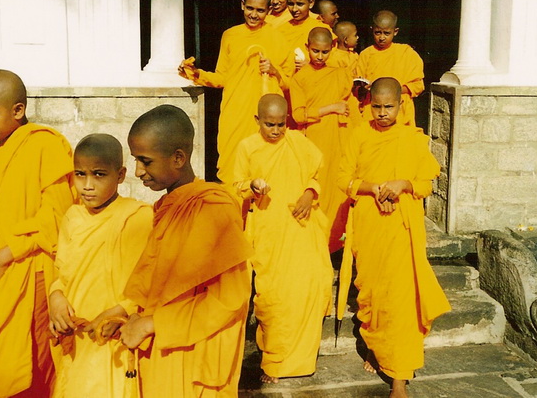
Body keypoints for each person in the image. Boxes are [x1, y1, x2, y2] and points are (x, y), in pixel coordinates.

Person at [0, 69, 77, 397]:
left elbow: (56, 217)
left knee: (30, 365)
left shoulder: (45, 145)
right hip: (4, 274)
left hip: (33, 273)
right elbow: (3, 215)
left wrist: (6, 252)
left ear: (18, 110)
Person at [119, 105, 253, 397]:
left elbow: (230, 300)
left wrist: (154, 324)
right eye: (136, 160)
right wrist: (129, 315)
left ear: (178, 158)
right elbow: (159, 284)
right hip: (160, 348)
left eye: (146, 161)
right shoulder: (166, 207)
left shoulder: (214, 209)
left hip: (196, 357)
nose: (139, 171)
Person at [337, 77, 450, 398]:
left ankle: (399, 377)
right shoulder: (358, 134)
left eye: (389, 107)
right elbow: (343, 179)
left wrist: (402, 184)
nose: (383, 113)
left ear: (401, 106)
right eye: (377, 107)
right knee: (372, 292)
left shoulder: (412, 138)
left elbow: (427, 182)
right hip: (370, 225)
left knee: (400, 299)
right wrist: (373, 187)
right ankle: (376, 347)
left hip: (402, 228)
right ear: (368, 104)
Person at [232, 94, 333, 383]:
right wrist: (252, 185)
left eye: (280, 124)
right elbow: (237, 185)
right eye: (269, 125)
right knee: (273, 296)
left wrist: (308, 194)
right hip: (267, 229)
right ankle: (274, 363)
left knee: (309, 286)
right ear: (257, 121)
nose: (276, 131)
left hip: (300, 225)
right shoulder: (247, 147)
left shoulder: (299, 142)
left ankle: (302, 359)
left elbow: (315, 175)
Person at [48, 134, 153, 398]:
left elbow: (147, 279)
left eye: (98, 175)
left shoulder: (137, 217)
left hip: (114, 336)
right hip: (78, 336)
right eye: (80, 174)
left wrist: (120, 311)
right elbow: (62, 272)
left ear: (120, 175)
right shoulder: (72, 217)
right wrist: (56, 297)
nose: (87, 185)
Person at [178, 0, 293, 183]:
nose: (254, 15)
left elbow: (289, 82)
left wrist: (274, 70)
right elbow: (223, 77)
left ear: (269, 10)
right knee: (231, 168)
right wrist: (197, 75)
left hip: (263, 115)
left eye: (260, 10)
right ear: (242, 5)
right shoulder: (230, 35)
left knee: (263, 168)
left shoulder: (278, 38)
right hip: (235, 111)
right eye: (250, 8)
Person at [289, 28, 352, 252]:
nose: (320, 56)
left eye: (325, 52)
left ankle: (334, 243)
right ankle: (315, 243)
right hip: (313, 139)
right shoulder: (299, 78)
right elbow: (298, 115)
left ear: (332, 49)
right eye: (315, 51)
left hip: (338, 138)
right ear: (307, 48)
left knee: (336, 190)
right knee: (317, 189)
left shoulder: (338, 73)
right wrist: (331, 108)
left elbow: (349, 101)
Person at [357, 10, 424, 127]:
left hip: (400, 110)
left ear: (395, 32)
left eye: (386, 33)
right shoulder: (366, 54)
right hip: (373, 109)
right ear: (372, 29)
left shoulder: (407, 53)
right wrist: (363, 89)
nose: (381, 37)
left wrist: (391, 91)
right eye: (377, 33)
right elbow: (358, 87)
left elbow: (418, 86)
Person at [277, 0, 334, 71]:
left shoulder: (322, 30)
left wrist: (311, 66)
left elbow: (332, 64)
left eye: (300, 4)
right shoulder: (281, 29)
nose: (294, 9)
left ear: (311, 3)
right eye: (291, 4)